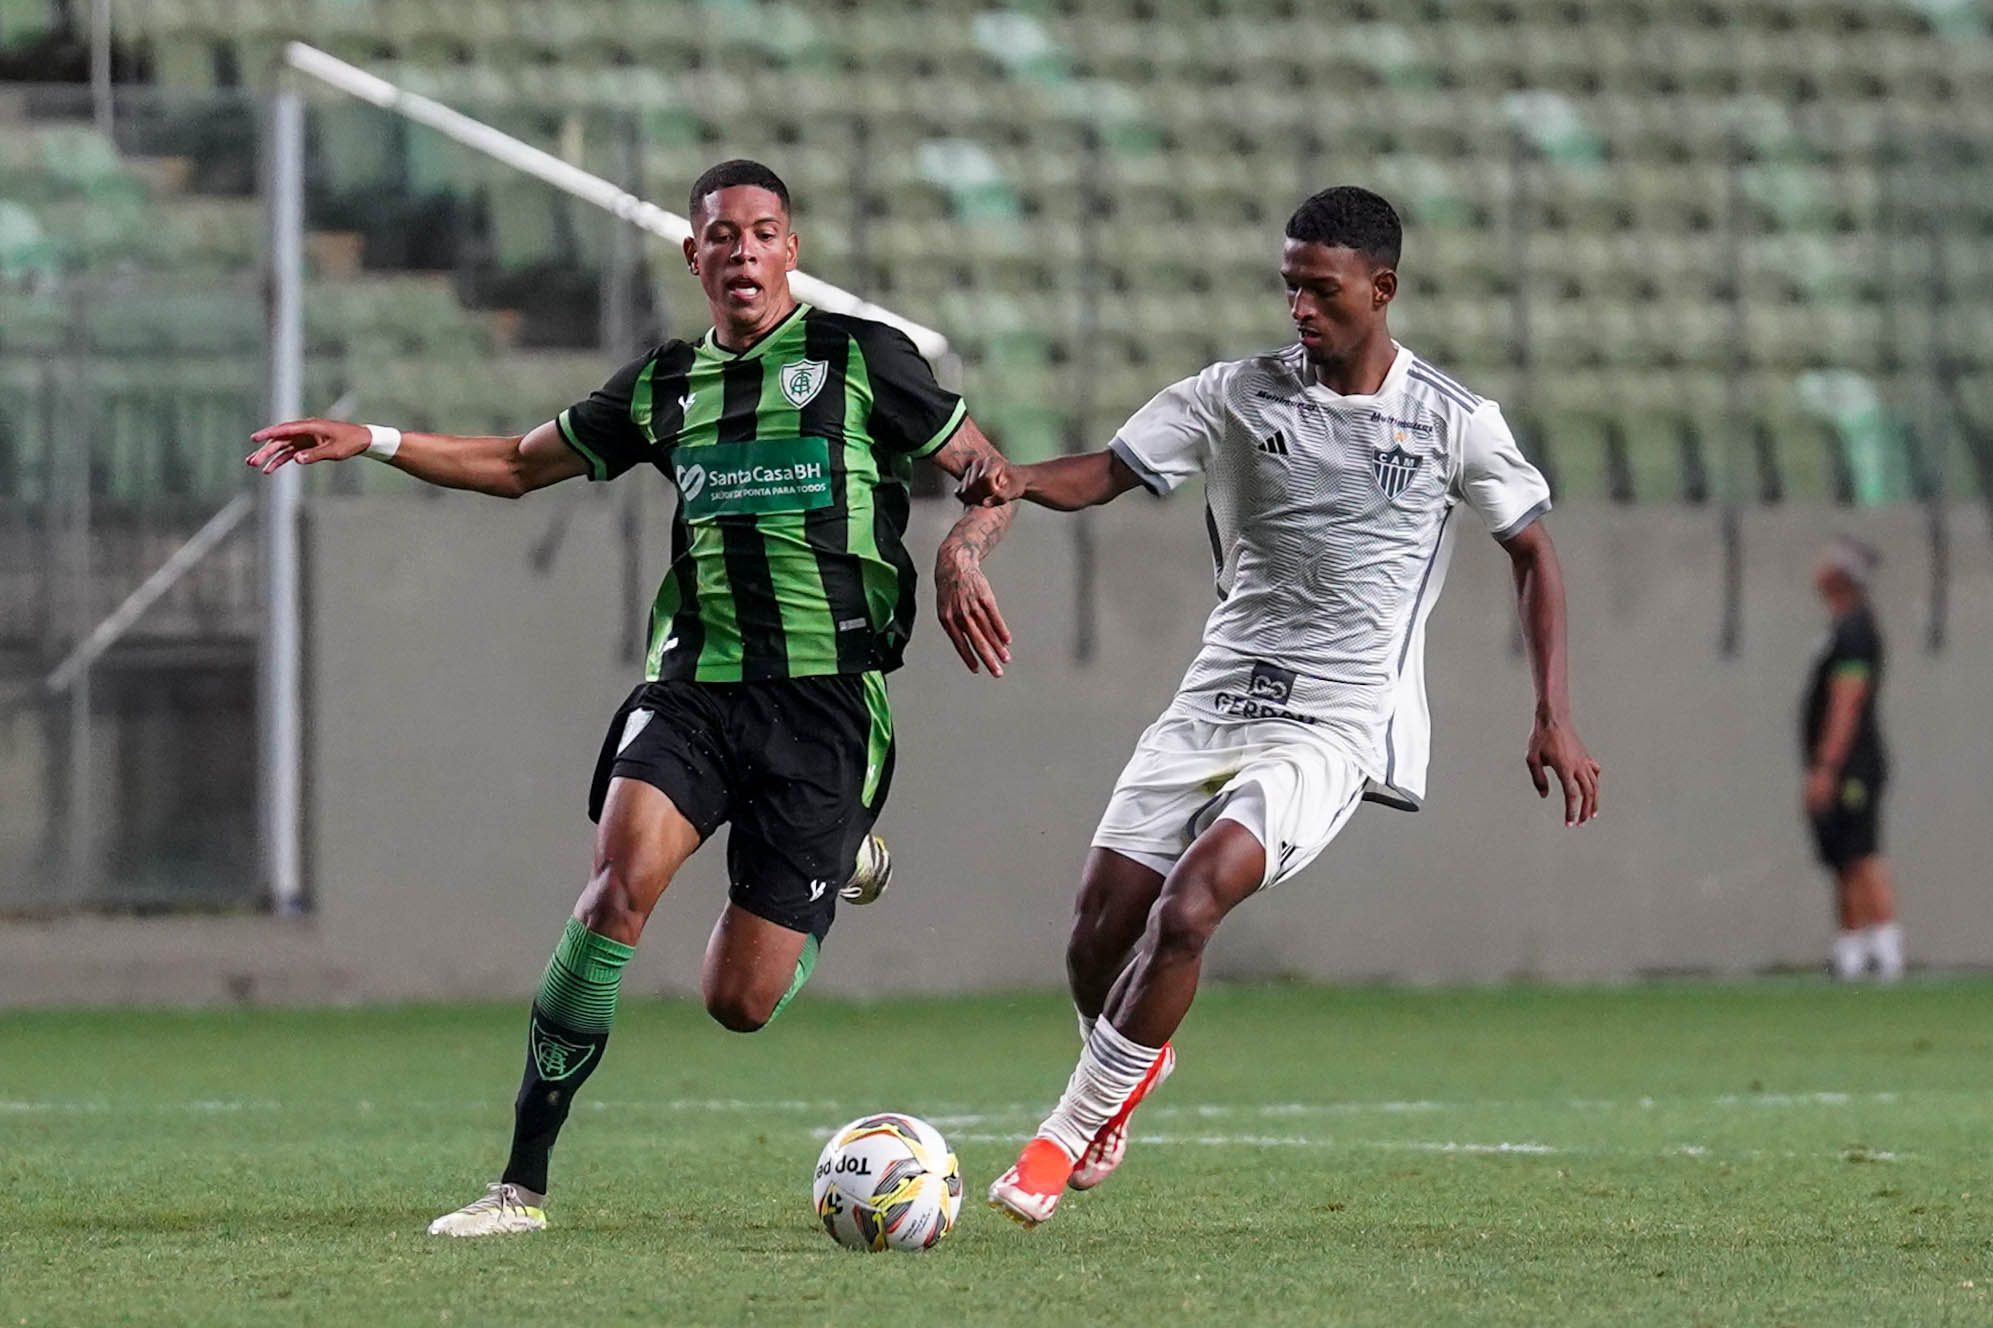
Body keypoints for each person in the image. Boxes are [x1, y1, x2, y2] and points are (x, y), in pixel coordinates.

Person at [245, 159, 1021, 1236]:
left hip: (826, 705)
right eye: (721, 234)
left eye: (762, 232)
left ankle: (838, 862)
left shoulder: (860, 359)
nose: (742, 250)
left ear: (790, 249)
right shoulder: (663, 384)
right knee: (617, 886)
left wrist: (964, 554)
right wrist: (369, 438)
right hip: (693, 684)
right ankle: (519, 1182)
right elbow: (518, 465)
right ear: (692, 254)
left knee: (737, 1002)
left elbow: (992, 473)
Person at [957, 186, 1603, 1228]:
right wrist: (1014, 477)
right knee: (1092, 937)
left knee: (1193, 902)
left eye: (1320, 287)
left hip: (1335, 726)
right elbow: (1112, 471)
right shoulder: (1235, 393)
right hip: (1214, 698)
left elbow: (1534, 551)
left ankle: (1060, 1137)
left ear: (1380, 288)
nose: (1298, 306)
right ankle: (1124, 1069)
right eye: (1287, 284)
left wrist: (1552, 711)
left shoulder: (1452, 420)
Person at [1802, 536, 1902, 982]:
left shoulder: (1856, 631)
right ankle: (1851, 948)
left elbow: (1847, 701)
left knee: (1862, 851)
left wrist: (1828, 764)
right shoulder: (1841, 628)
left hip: (1854, 763)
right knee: (1841, 853)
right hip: (1839, 763)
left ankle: (1886, 946)